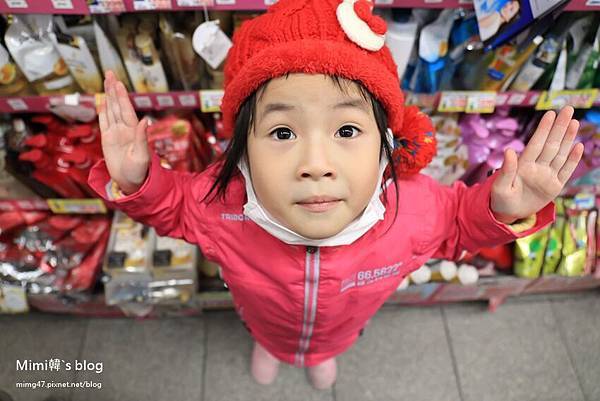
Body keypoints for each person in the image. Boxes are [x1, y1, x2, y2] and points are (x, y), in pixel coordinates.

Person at [89, 0, 583, 390]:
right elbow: (173, 205)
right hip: (264, 318)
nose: (317, 164)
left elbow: (457, 221)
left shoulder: (411, 211)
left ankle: (321, 354)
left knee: (331, 346)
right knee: (268, 338)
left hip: (345, 325)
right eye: (282, 133)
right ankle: (275, 349)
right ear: (241, 152)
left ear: (388, 144)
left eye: (347, 130)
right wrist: (138, 181)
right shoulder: (223, 204)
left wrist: (500, 210)